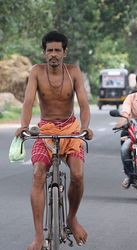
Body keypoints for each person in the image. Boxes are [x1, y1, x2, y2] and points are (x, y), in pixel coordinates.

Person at [15, 30, 93, 250]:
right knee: (38, 174)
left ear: (65, 52)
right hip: (46, 130)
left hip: (70, 129)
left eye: (58, 50)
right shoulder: (36, 72)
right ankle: (39, 237)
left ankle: (71, 218)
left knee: (77, 175)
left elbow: (84, 105)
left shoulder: (74, 72)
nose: (53, 54)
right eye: (49, 50)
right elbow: (28, 102)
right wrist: (23, 125)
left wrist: (85, 128)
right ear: (44, 52)